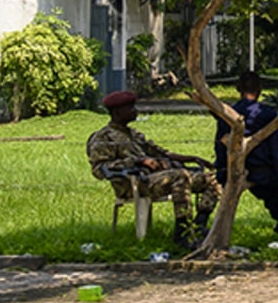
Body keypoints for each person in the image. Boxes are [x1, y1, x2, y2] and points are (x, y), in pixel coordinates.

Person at [87, 90, 220, 246]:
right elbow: (100, 168)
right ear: (116, 112)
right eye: (130, 108)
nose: (135, 111)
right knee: (181, 176)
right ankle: (182, 233)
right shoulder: (104, 137)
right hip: (133, 183)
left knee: (214, 178)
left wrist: (191, 158)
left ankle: (199, 225)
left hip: (156, 179)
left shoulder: (134, 134)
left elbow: (160, 152)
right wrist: (138, 162)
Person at [213, 71, 278, 235]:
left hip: (232, 170)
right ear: (260, 90)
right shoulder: (267, 115)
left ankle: (199, 226)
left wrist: (220, 170)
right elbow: (277, 152)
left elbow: (219, 146)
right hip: (262, 173)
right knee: (277, 193)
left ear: (239, 89)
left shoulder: (228, 114)